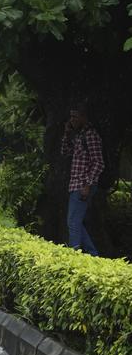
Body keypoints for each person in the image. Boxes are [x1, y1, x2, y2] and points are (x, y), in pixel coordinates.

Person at [60, 102, 104, 255]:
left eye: (75, 116)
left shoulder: (91, 135)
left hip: (82, 185)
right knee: (75, 222)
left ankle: (75, 257)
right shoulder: (79, 135)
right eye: (70, 116)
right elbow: (65, 152)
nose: (72, 119)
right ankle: (93, 255)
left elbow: (99, 163)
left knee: (72, 222)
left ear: (84, 117)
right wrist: (67, 133)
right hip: (75, 185)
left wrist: (88, 184)